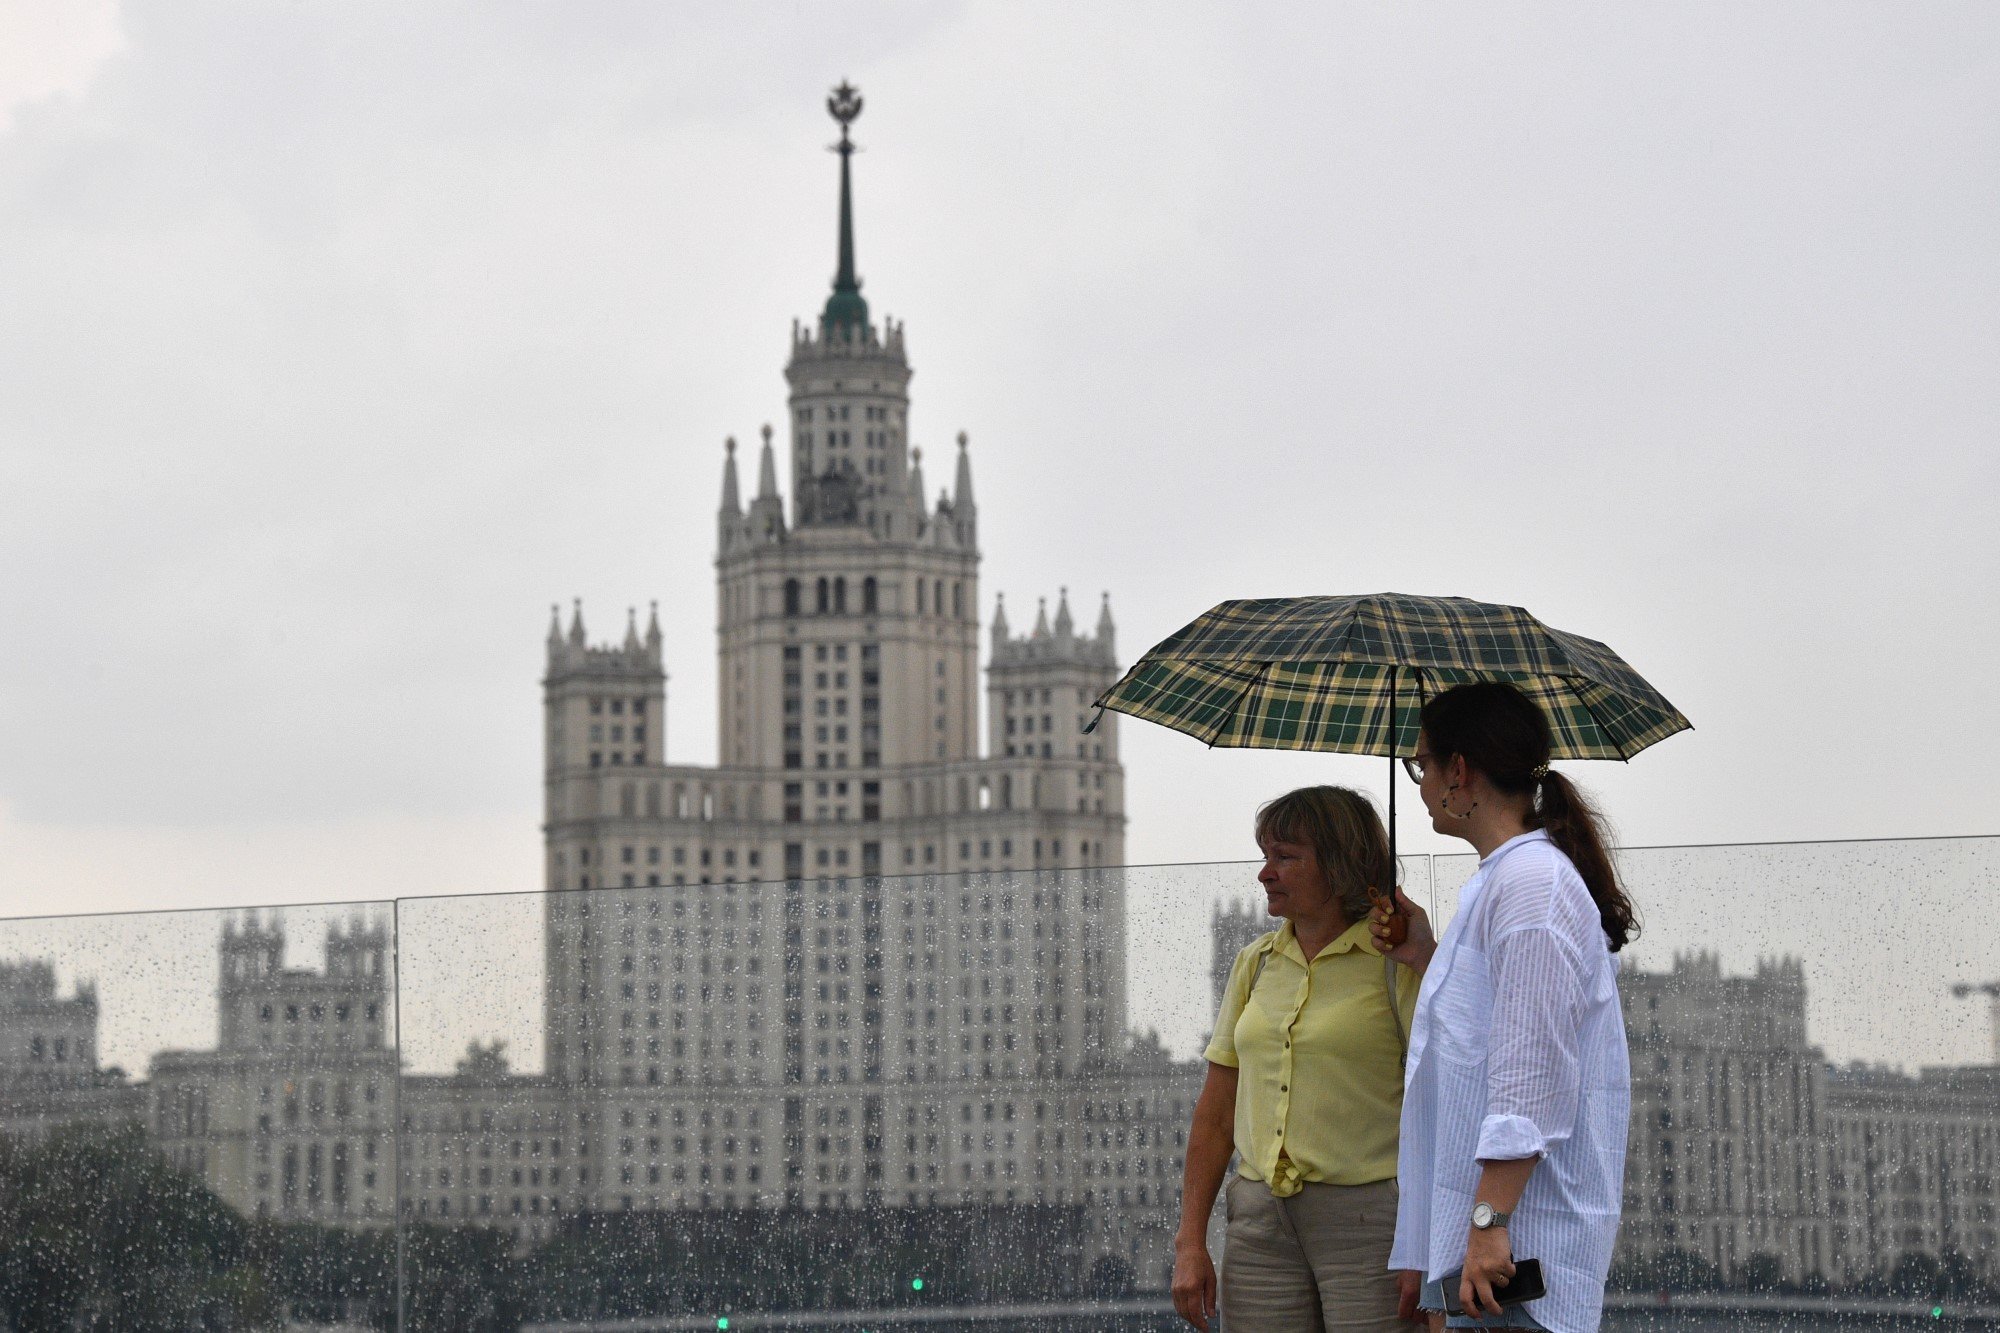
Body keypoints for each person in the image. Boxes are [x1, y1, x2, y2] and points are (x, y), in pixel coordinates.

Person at [1371, 681, 1635, 1332]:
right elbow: (1490, 1030)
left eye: (1422, 764)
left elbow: (1530, 1075)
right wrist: (1425, 954)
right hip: (1496, 1245)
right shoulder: (1507, 880)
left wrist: (1490, 1224)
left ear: (1459, 770)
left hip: (1521, 1250)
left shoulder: (1530, 887)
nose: (1421, 781)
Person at [1172, 785, 1422, 1332]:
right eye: (1266, 856)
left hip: (1372, 1223)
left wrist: (1427, 1239)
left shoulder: (1397, 964)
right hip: (1260, 1222)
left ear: (1340, 865)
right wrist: (1191, 1241)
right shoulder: (1254, 964)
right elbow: (1214, 1117)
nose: (1265, 873)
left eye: (1285, 857)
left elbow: (1445, 1105)